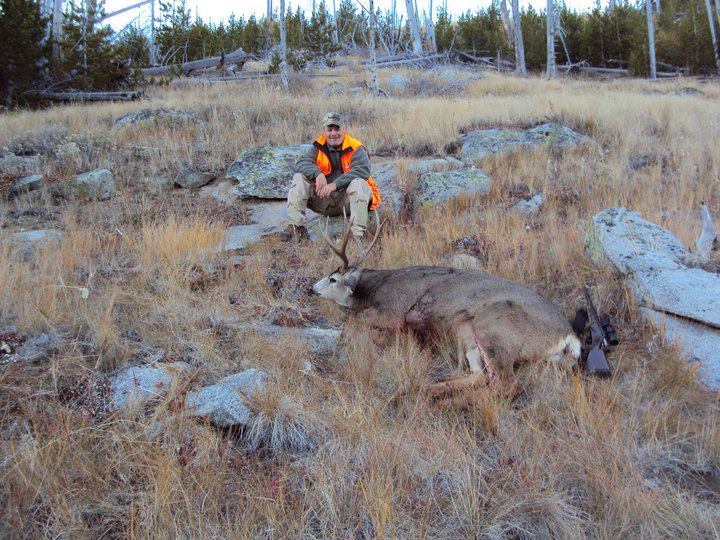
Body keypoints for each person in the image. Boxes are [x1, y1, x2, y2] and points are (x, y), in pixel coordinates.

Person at [282, 112, 381, 243]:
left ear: (343, 130)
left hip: (349, 202)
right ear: (324, 131)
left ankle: (358, 237)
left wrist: (335, 184)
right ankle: (297, 231)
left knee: (359, 183)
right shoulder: (317, 147)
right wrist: (318, 174)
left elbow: (362, 171)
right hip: (324, 201)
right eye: (330, 130)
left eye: (337, 129)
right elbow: (300, 163)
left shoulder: (356, 148)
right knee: (299, 177)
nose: (333, 133)